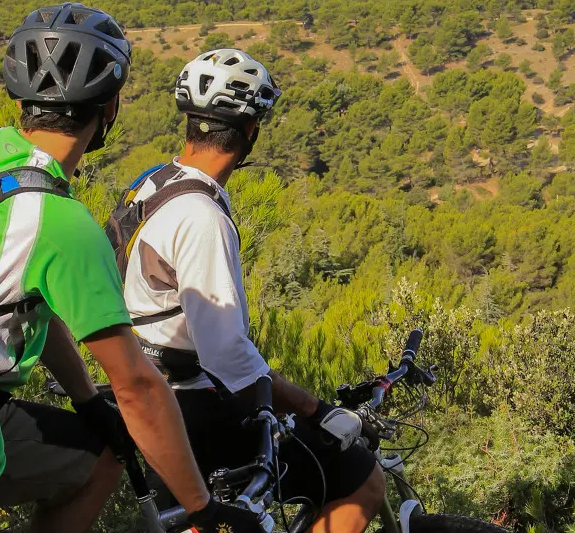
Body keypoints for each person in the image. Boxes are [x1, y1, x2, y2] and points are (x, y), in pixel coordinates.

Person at [0, 4, 262, 533]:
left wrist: (87, 403)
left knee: (103, 454)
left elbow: (25, 303)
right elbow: (138, 388)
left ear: (20, 100)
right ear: (110, 108)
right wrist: (202, 508)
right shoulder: (59, 220)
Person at [115, 48, 386, 533]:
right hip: (194, 408)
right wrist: (318, 410)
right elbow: (225, 355)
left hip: (150, 392)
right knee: (363, 480)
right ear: (251, 132)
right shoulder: (200, 217)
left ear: (192, 122)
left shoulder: (153, 184)